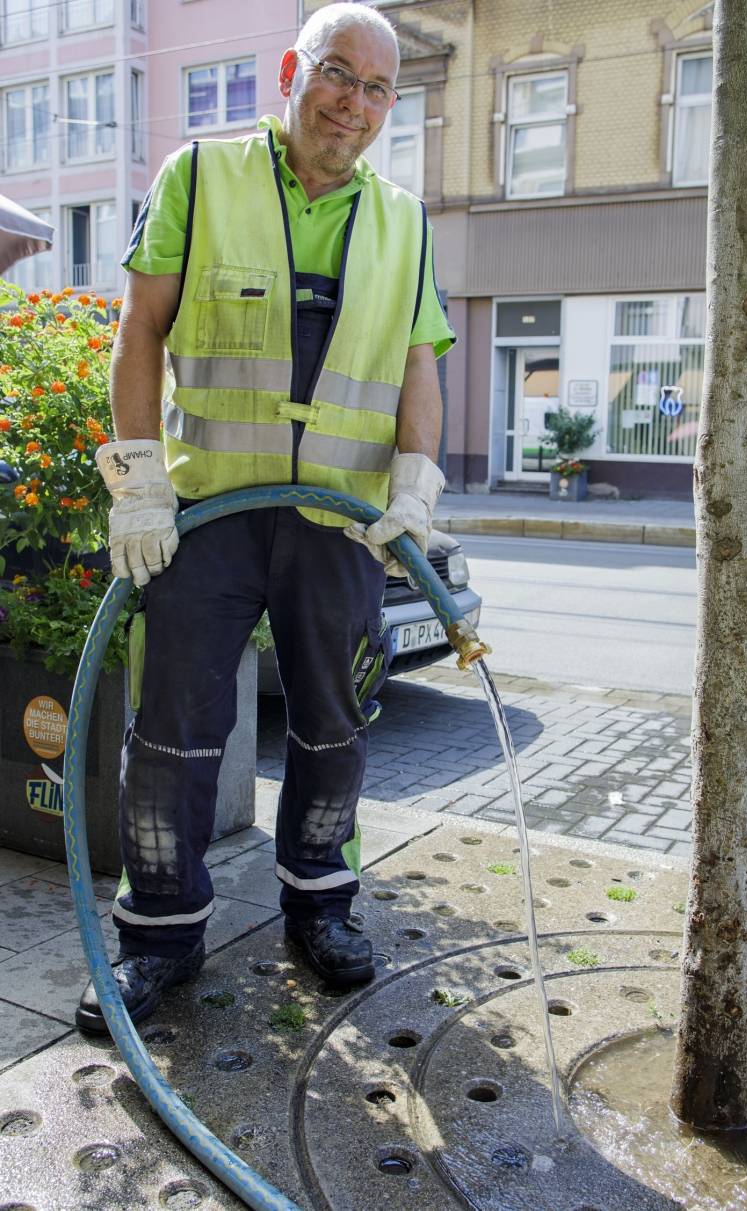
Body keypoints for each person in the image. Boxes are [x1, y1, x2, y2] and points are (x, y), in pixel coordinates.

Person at [75, 2, 454, 1033]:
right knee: (172, 734)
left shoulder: (405, 220)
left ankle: (319, 908)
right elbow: (140, 329)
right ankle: (159, 937)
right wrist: (142, 479)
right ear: (292, 70)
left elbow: (419, 361)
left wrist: (415, 486)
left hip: (338, 527)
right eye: (340, 75)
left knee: (335, 729)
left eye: (379, 88)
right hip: (208, 512)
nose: (357, 104)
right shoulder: (200, 179)